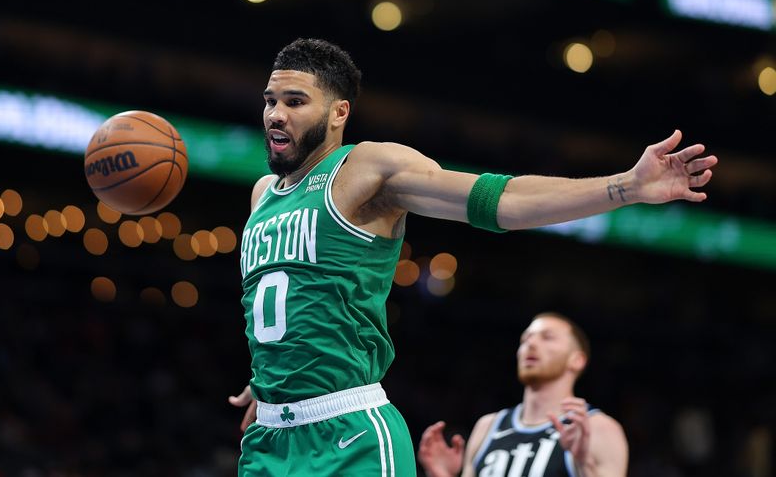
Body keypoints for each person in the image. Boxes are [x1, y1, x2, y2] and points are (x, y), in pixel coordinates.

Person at [227, 38, 716, 476]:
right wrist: (274, 382)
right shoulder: (262, 195)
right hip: (268, 437)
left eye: (295, 102)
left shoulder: (367, 168)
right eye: (271, 100)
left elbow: (497, 200)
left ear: (338, 113)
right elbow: (286, 304)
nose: (275, 114)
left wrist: (626, 186)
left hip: (348, 435)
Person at [418, 313, 627, 477]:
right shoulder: (489, 426)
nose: (531, 344)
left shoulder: (599, 428)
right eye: (525, 339)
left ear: (577, 360)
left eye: (547, 337)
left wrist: (583, 464)